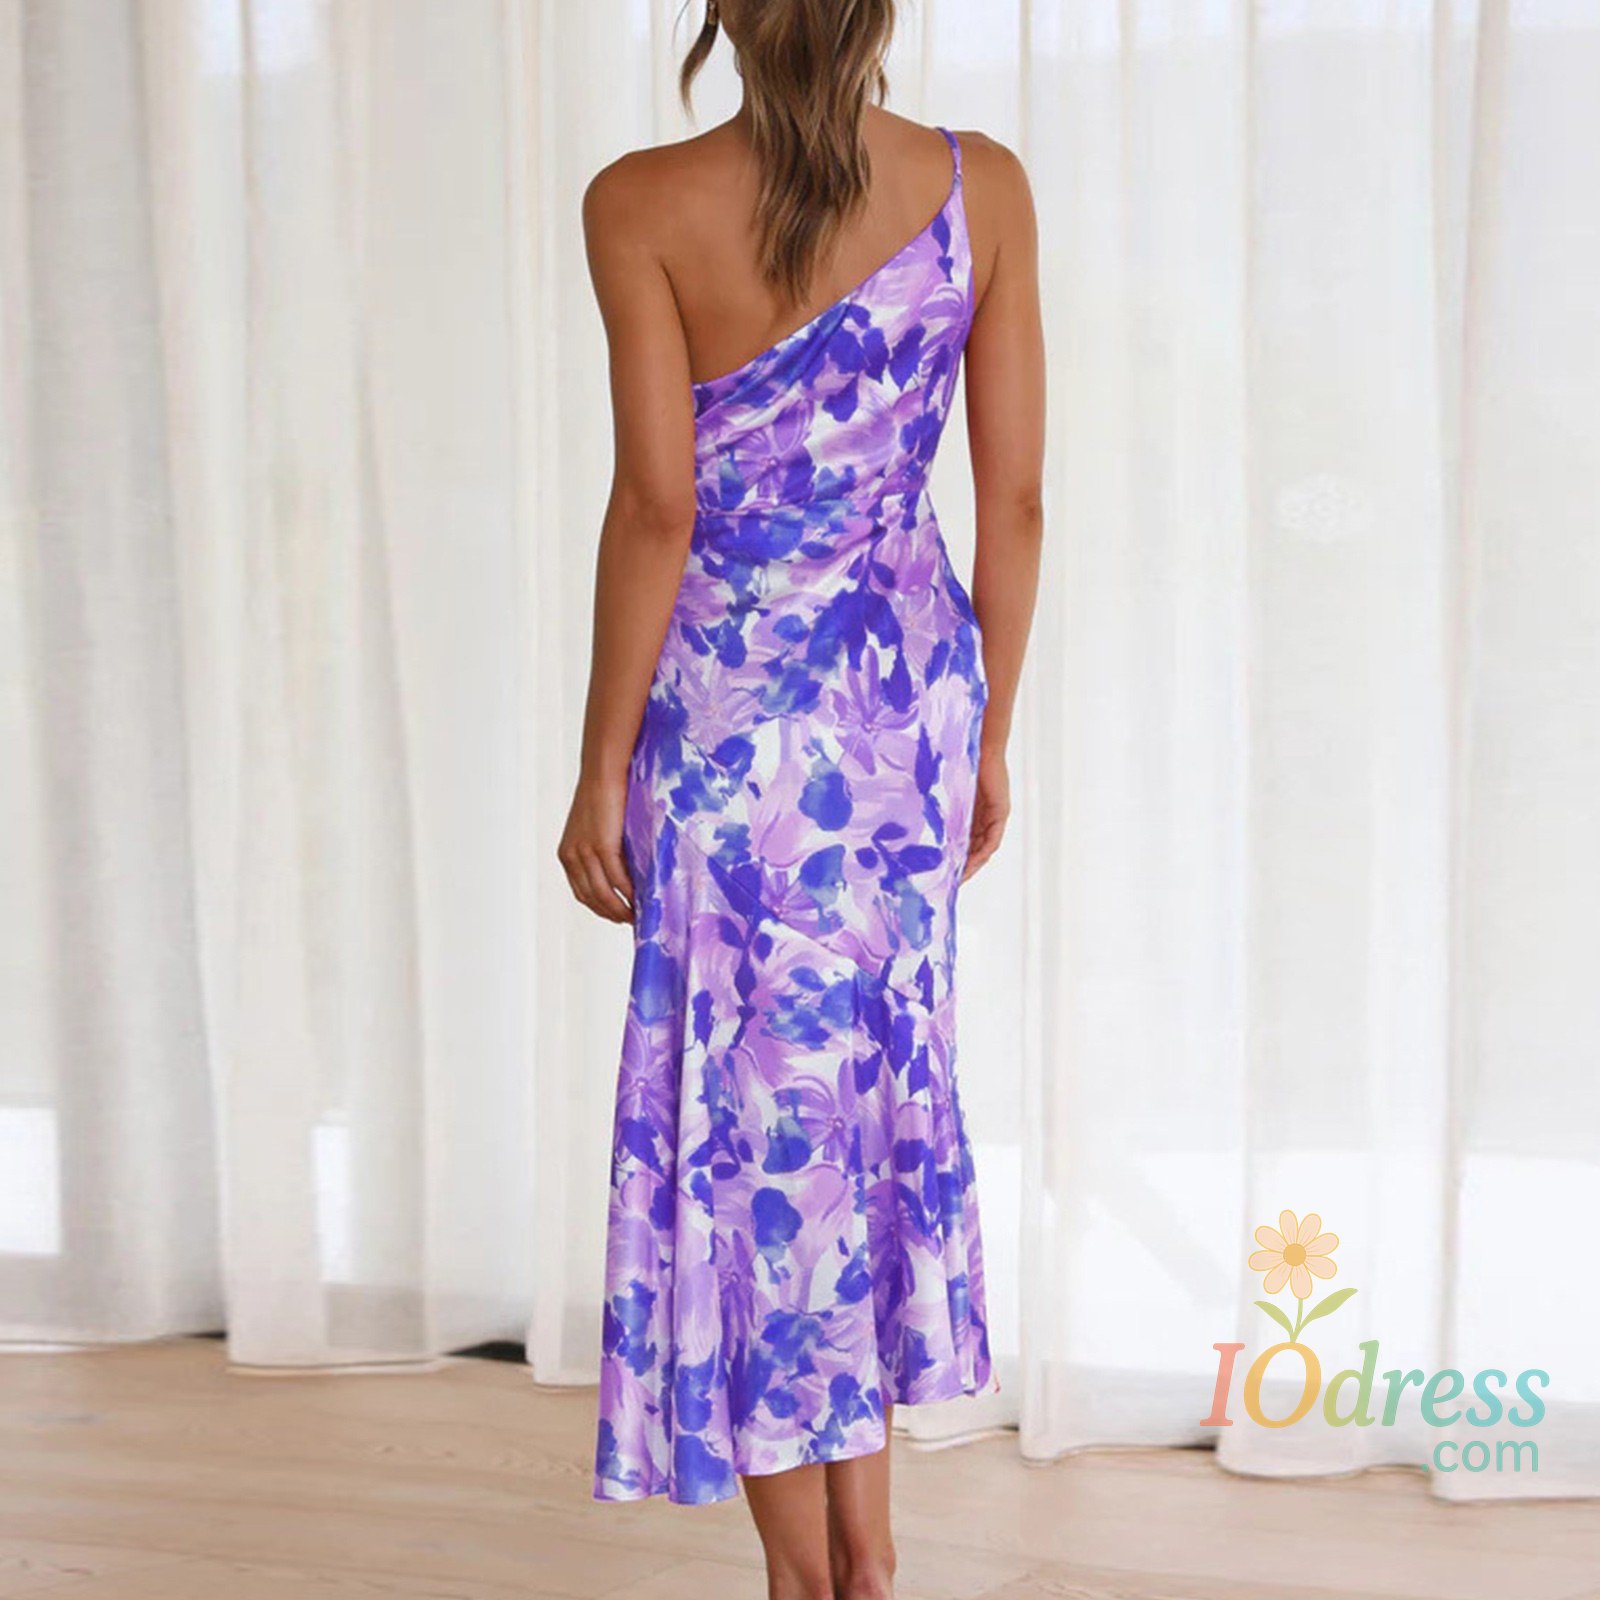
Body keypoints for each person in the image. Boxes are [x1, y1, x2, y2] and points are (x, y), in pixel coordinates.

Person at [558, 2, 1043, 1594]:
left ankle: (803, 1574)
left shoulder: (639, 202)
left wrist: (601, 766)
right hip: (903, 713)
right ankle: (866, 1560)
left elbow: (658, 506)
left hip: (728, 725)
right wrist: (988, 734)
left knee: (755, 1136)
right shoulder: (980, 186)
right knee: (856, 1122)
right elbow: (1016, 498)